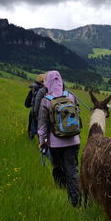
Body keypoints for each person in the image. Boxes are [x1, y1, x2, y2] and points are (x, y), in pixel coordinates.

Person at [38, 71, 81, 207]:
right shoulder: (71, 96)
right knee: (72, 170)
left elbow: (43, 124)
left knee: (58, 166)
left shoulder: (46, 100)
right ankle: (76, 201)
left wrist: (42, 141)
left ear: (48, 82)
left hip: (55, 143)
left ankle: (62, 187)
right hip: (74, 141)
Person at [25, 74, 46, 140]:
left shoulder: (33, 90)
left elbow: (26, 104)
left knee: (32, 125)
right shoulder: (47, 91)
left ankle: (31, 136)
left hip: (33, 112)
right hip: (44, 113)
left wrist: (33, 103)